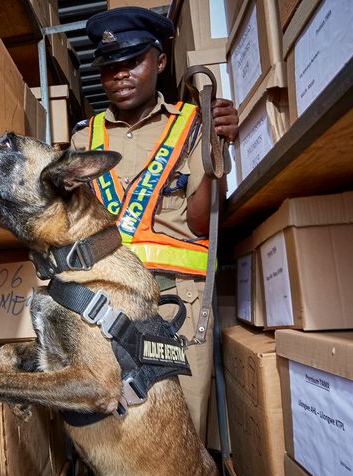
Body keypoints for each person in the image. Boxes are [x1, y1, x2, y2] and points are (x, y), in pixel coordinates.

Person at [70, 7, 238, 442]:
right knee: (115, 436)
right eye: (109, 67)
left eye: (132, 61)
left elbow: (201, 222)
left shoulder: (192, 124)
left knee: (180, 438)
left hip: (175, 303)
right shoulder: (84, 138)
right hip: (102, 303)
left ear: (160, 61)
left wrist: (218, 150)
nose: (120, 75)